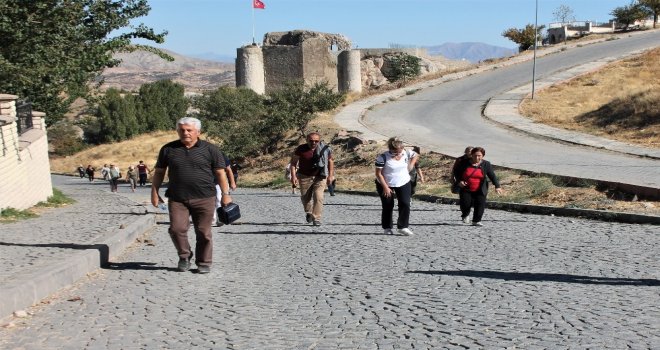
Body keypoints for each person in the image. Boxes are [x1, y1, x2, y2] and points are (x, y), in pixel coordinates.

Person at [151, 117, 232, 274]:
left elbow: (221, 173)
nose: (185, 133)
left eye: (189, 130)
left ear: (198, 132)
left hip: (205, 197)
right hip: (177, 198)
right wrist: (155, 193)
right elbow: (159, 172)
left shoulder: (211, 150)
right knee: (176, 229)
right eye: (182, 130)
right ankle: (184, 256)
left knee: (204, 232)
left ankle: (204, 262)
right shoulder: (168, 149)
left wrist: (226, 194)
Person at [289, 132, 334, 226]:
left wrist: (330, 175)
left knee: (319, 196)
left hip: (320, 176)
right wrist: (293, 176)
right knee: (305, 198)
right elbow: (293, 163)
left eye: (316, 141)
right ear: (307, 140)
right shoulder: (301, 149)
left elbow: (330, 161)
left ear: (319, 141)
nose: (314, 143)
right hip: (304, 176)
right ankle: (309, 212)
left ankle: (316, 218)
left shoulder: (325, 149)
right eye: (311, 141)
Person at [375, 137, 417, 236]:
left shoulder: (406, 152)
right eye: (395, 152)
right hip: (385, 182)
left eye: (400, 152)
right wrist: (385, 187)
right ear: (390, 150)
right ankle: (387, 227)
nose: (398, 154)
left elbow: (415, 155)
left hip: (403, 181)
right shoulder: (382, 157)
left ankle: (403, 227)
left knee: (405, 203)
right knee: (388, 205)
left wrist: (411, 165)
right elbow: (378, 174)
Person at [453, 146, 503, 226]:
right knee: (465, 204)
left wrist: (497, 186)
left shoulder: (486, 164)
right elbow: (456, 172)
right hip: (466, 188)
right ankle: (465, 214)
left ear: (482, 156)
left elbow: (492, 176)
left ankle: (476, 220)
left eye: (479, 155)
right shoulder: (464, 163)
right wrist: (459, 181)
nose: (477, 157)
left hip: (480, 188)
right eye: (475, 155)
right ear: (471, 155)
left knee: (480, 205)